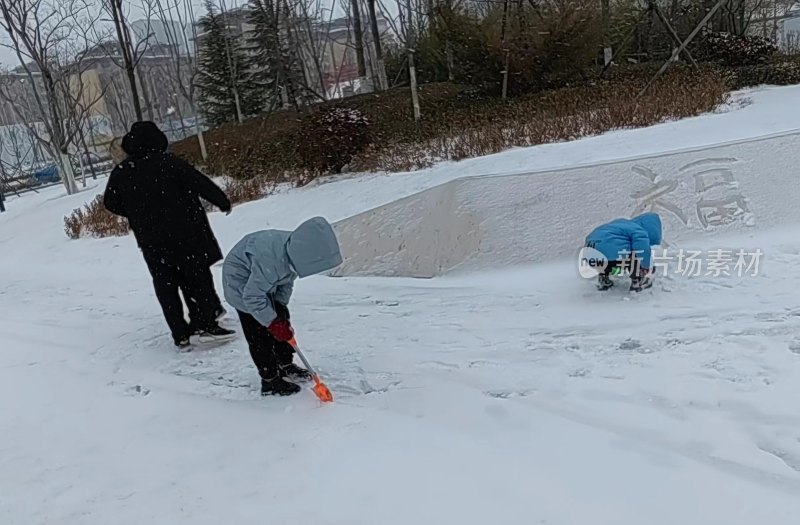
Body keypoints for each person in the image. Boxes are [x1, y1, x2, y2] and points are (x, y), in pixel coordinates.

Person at [103, 121, 235, 347]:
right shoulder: (169, 163)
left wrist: (137, 212)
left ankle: (180, 333)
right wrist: (221, 201)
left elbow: (110, 202)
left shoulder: (122, 172)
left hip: (150, 241)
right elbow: (200, 183)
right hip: (184, 234)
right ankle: (205, 323)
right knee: (195, 278)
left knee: (165, 285)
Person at [222, 216, 343, 396]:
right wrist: (271, 321)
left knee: (283, 325)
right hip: (241, 284)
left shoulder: (295, 251)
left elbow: (287, 281)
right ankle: (270, 380)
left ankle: (285, 363)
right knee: (259, 333)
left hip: (265, 283)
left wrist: (279, 307)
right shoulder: (272, 259)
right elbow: (252, 296)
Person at [584, 212, 662, 292]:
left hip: (590, 254)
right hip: (610, 251)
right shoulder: (638, 229)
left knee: (612, 255)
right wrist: (646, 266)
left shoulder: (618, 225)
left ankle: (604, 278)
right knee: (635, 253)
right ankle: (637, 281)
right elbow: (642, 249)